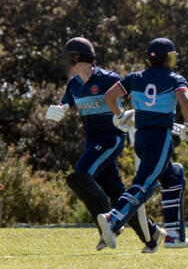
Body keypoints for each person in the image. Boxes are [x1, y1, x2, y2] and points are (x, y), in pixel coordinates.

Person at [44, 37, 156, 252]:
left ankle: (110, 226)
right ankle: (151, 234)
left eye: (68, 58)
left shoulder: (107, 79)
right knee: (117, 194)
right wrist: (56, 109)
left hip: (111, 140)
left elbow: (135, 98)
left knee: (80, 174)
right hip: (92, 142)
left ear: (76, 57)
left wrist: (137, 115)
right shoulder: (74, 84)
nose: (65, 62)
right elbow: (64, 104)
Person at [97, 37, 188, 250]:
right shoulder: (175, 78)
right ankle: (113, 219)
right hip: (160, 138)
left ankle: (174, 236)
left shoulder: (135, 77)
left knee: (174, 176)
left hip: (142, 137)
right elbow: (185, 101)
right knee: (144, 183)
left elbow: (110, 96)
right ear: (169, 58)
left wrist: (119, 115)